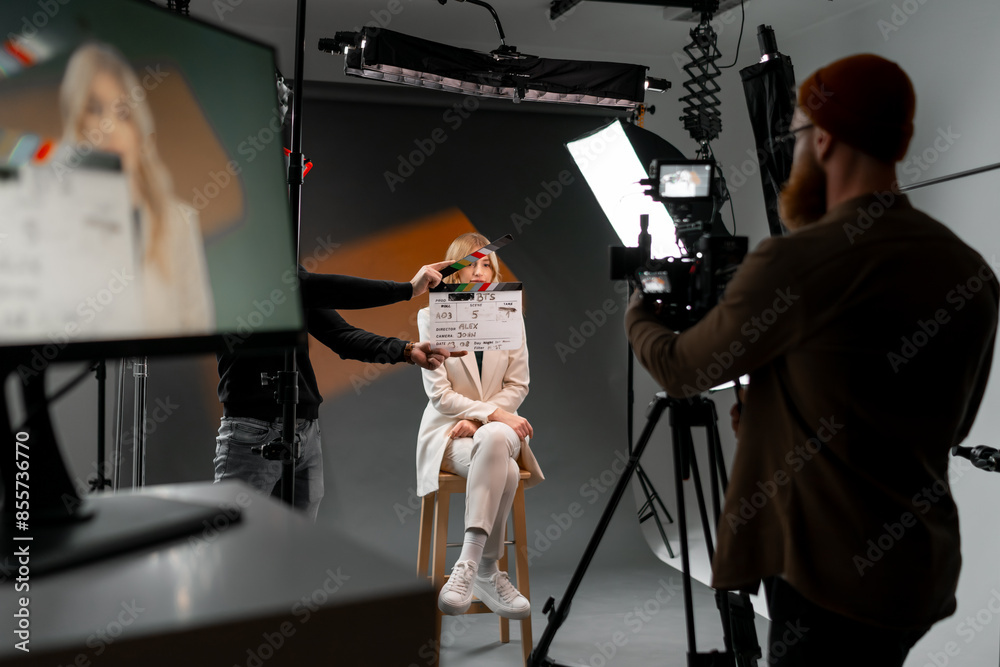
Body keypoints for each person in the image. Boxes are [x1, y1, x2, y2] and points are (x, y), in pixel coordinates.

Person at [625, 54, 998, 665]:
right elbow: (939, 422)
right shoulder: (969, 270)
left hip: (825, 575)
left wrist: (641, 307)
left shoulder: (797, 260)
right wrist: (776, 416)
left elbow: (680, 369)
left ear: (823, 139)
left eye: (796, 136)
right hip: (915, 571)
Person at [215, 262, 463, 520]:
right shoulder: (239, 266)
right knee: (232, 544)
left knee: (296, 547)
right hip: (252, 431)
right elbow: (318, 287)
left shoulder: (288, 272)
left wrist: (407, 350)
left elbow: (341, 335)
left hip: (305, 431)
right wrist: (408, 289)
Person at [415, 232, 543, 620]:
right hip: (448, 437)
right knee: (501, 450)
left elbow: (517, 385)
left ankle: (469, 565)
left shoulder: (510, 317)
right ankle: (488, 569)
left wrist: (482, 419)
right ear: (453, 272)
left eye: (486, 263)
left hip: (485, 434)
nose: (479, 269)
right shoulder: (431, 317)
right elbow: (440, 396)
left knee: (495, 438)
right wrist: (492, 415)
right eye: (470, 262)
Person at [59, 41, 214, 334]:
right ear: (76, 122)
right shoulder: (53, 220)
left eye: (122, 113)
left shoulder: (178, 221)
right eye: (94, 109)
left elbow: (198, 331)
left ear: (138, 128)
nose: (109, 127)